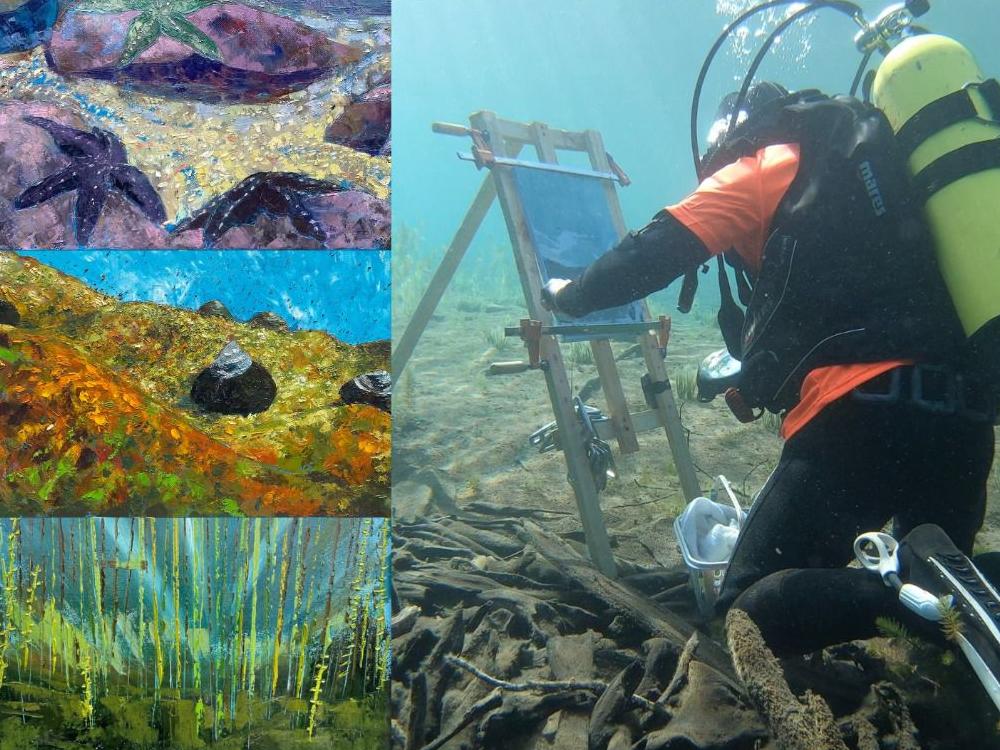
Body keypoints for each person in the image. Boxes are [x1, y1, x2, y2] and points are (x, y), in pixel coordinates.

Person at [542, 82, 997, 623]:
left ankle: (925, 606)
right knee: (948, 602)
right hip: (963, 426)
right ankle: (938, 600)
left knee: (747, 610)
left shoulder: (771, 162)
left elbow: (658, 247)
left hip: (862, 422)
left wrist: (572, 296)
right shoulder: (893, 179)